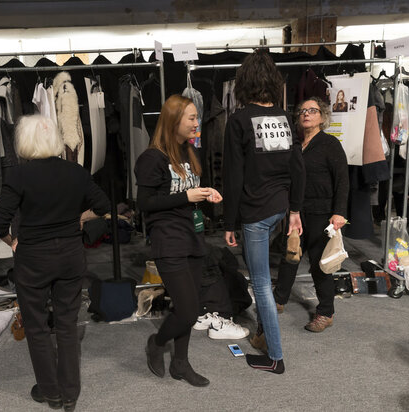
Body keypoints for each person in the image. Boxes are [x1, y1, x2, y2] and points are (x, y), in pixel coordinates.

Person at [0, 114, 110, 412]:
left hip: (33, 259)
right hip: (70, 255)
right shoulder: (75, 172)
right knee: (68, 325)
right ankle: (70, 394)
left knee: (37, 326)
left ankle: (50, 392)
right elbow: (104, 207)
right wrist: (77, 221)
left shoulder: (18, 176)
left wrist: (11, 241)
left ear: (24, 142)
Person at [223, 50, 305, 374]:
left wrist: (229, 222)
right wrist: (295, 209)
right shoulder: (285, 118)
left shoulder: (239, 121)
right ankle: (262, 334)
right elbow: (298, 168)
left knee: (260, 283)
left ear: (244, 83)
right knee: (262, 278)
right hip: (280, 209)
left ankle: (275, 358)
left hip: (256, 213)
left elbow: (233, 177)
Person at [136, 94, 222, 387]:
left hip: (193, 238)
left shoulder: (187, 152)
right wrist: (186, 196)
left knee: (190, 306)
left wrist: (207, 193)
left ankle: (180, 364)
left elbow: (188, 193)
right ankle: (157, 342)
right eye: (192, 118)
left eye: (197, 117)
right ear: (174, 120)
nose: (198, 123)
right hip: (168, 240)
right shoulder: (152, 158)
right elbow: (145, 203)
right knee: (186, 310)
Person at [273, 97, 349, 333]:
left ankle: (326, 313)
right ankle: (277, 301)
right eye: (303, 110)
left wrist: (339, 213)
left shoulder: (330, 144)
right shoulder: (295, 145)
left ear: (322, 117)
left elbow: (343, 181)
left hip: (322, 213)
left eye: (312, 111)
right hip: (296, 211)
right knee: (290, 256)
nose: (307, 114)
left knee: (319, 264)